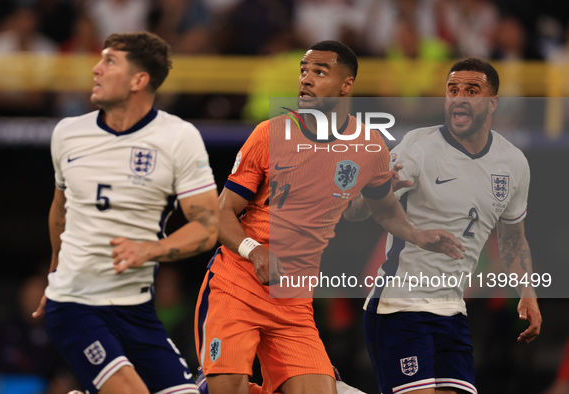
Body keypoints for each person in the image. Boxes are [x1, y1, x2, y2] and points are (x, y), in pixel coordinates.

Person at [194, 40, 465, 394]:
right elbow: (221, 211)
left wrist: (418, 234)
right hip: (237, 285)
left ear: (346, 85)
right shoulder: (269, 134)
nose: (305, 79)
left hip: (293, 301)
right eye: (303, 71)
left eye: (319, 72)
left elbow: (379, 210)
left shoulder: (370, 147)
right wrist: (253, 250)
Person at [32, 31, 219, 394]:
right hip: (75, 303)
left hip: (136, 309)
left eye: (109, 61)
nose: (95, 69)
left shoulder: (178, 137)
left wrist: (149, 249)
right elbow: (61, 210)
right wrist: (55, 273)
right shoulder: (68, 133)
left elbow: (207, 226)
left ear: (139, 80)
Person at [355, 58, 542, 394]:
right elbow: (354, 211)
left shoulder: (513, 162)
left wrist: (527, 291)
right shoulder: (418, 147)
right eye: (453, 89)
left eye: (472, 90)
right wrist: (385, 188)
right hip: (401, 305)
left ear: (492, 102)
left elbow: (513, 238)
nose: (460, 97)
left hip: (453, 310)